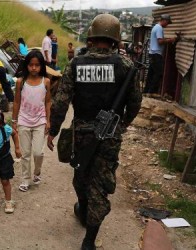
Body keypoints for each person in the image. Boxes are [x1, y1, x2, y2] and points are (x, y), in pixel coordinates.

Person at [46, 14, 142, 250]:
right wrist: (123, 123)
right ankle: (89, 240)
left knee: (81, 172)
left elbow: (60, 102)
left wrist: (54, 130)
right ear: (115, 40)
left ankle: (83, 207)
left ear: (92, 37)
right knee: (100, 182)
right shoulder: (126, 66)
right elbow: (135, 102)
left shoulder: (76, 64)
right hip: (109, 135)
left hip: (82, 133)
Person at [12, 50, 51, 192]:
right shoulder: (21, 82)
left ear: (41, 66)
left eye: (37, 65)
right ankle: (25, 179)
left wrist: (48, 120)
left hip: (40, 120)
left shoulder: (46, 81)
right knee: (26, 153)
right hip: (23, 120)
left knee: (38, 153)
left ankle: (37, 172)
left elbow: (47, 102)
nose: (34, 68)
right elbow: (16, 102)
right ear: (26, 65)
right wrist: (14, 120)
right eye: (31, 65)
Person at [144, 14, 176, 95]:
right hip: (156, 54)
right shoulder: (159, 28)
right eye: (168, 23)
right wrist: (170, 40)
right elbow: (160, 41)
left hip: (152, 53)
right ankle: (152, 92)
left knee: (151, 74)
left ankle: (146, 92)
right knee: (158, 73)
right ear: (164, 20)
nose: (167, 25)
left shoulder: (155, 27)